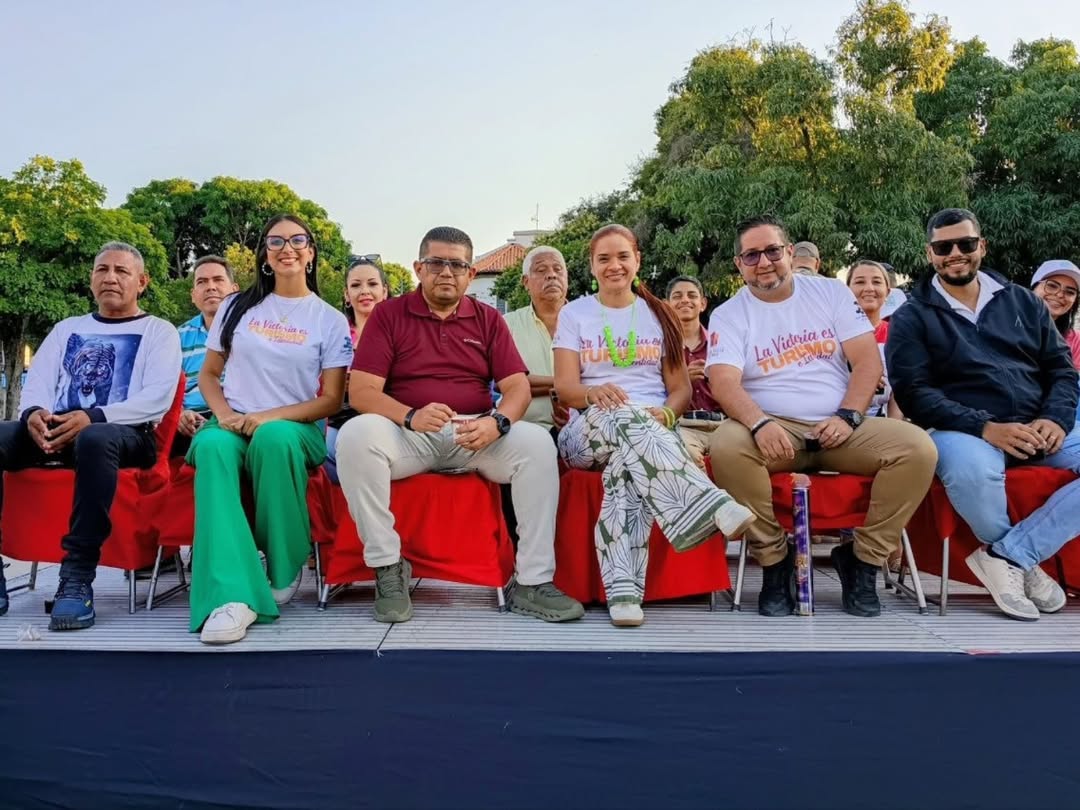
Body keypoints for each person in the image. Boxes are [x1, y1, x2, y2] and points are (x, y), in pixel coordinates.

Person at [335, 226, 584, 624]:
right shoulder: (389, 314)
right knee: (355, 436)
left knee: (537, 444)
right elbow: (363, 391)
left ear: (471, 274)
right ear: (418, 268)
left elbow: (517, 387)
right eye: (436, 263)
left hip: (475, 434)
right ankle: (388, 568)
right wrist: (410, 415)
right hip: (409, 432)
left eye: (457, 265)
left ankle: (533, 582)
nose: (447, 272)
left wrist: (498, 422)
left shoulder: (488, 319)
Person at [706, 215, 938, 618]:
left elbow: (867, 362)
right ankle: (775, 561)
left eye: (772, 251)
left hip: (839, 425)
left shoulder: (830, 292)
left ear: (789, 252)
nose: (764, 262)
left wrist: (848, 416)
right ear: (738, 264)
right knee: (726, 444)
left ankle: (863, 561)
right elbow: (723, 382)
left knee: (917, 448)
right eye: (752, 255)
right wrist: (759, 423)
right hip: (772, 428)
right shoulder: (729, 313)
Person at [553, 224, 754, 627]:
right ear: (591, 266)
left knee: (626, 466)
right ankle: (711, 504)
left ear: (637, 260)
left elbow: (679, 390)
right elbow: (565, 389)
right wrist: (594, 394)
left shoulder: (659, 313)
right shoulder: (575, 314)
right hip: (585, 432)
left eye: (622, 256)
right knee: (622, 415)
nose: (614, 266)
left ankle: (623, 593)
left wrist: (664, 415)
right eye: (604, 259)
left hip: (651, 430)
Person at [887, 208, 1080, 621]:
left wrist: (1056, 419)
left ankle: (1011, 555)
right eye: (943, 247)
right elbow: (914, 393)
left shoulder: (1023, 301)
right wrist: (985, 427)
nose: (955, 253)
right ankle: (1022, 565)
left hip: (1038, 423)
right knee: (972, 474)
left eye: (966, 243)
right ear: (930, 254)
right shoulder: (910, 317)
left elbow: (1061, 370)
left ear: (982, 246)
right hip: (960, 429)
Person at [188, 215, 353, 644]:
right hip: (233, 420)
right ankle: (230, 593)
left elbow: (330, 400)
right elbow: (209, 375)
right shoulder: (235, 306)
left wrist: (271, 416)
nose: (287, 248)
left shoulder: (328, 318)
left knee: (272, 438)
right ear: (264, 254)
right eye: (276, 241)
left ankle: (283, 563)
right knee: (212, 448)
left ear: (311, 252)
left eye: (297, 240)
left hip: (295, 427)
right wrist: (224, 415)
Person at [0, 242, 181, 628]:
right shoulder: (67, 329)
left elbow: (157, 398)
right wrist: (33, 414)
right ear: (92, 279)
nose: (110, 277)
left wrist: (94, 417)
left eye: (122, 271)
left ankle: (77, 577)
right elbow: (39, 380)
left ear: (142, 282)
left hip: (127, 435)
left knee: (95, 438)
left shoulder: (158, 331)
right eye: (102, 269)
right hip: (57, 429)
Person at [324, 255, 391, 483]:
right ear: (346, 294)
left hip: (387, 422)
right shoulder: (333, 334)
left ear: (384, 291)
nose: (364, 291)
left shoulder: (401, 335)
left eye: (372, 284)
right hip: (338, 422)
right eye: (355, 285)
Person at [173, 255, 239, 458]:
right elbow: (166, 388)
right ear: (193, 295)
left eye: (218, 280)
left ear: (234, 290)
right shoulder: (177, 337)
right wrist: (180, 414)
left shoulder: (251, 331)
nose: (210, 287)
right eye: (202, 282)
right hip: (191, 418)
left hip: (238, 414)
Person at [503, 246, 570, 434]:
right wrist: (569, 385)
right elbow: (506, 383)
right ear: (525, 282)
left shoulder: (589, 322)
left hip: (584, 428)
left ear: (567, 278)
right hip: (523, 430)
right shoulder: (507, 324)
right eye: (541, 270)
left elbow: (599, 379)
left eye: (558, 269)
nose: (551, 275)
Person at [666, 275, 724, 468]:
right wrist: (682, 382)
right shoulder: (659, 347)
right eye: (677, 296)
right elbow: (650, 392)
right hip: (682, 425)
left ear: (703, 304)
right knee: (685, 456)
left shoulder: (722, 343)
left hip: (723, 424)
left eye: (692, 295)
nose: (685, 300)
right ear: (667, 305)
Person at [846, 260, 901, 419]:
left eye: (877, 282)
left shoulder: (898, 335)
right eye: (860, 282)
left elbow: (900, 388)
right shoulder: (832, 335)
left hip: (881, 422)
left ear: (888, 292)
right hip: (838, 420)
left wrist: (893, 426)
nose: (869, 288)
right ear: (847, 290)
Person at [1030, 259, 1080, 368]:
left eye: (1070, 292)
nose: (1060, 295)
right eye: (1052, 286)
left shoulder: (1076, 342)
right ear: (1033, 288)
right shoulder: (1005, 324)